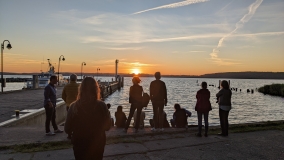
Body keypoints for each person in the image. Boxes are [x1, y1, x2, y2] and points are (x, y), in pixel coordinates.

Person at [64, 77, 111, 160]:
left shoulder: (73, 107)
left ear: (81, 89)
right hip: (98, 144)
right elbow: (107, 127)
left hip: (79, 144)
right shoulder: (102, 106)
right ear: (96, 89)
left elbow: (67, 129)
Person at [62, 74, 80, 138]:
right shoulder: (78, 86)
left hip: (69, 105)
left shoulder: (66, 86)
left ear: (70, 79)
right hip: (77, 106)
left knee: (69, 119)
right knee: (77, 119)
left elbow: (63, 96)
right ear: (76, 79)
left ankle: (69, 134)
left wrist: (67, 101)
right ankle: (76, 132)